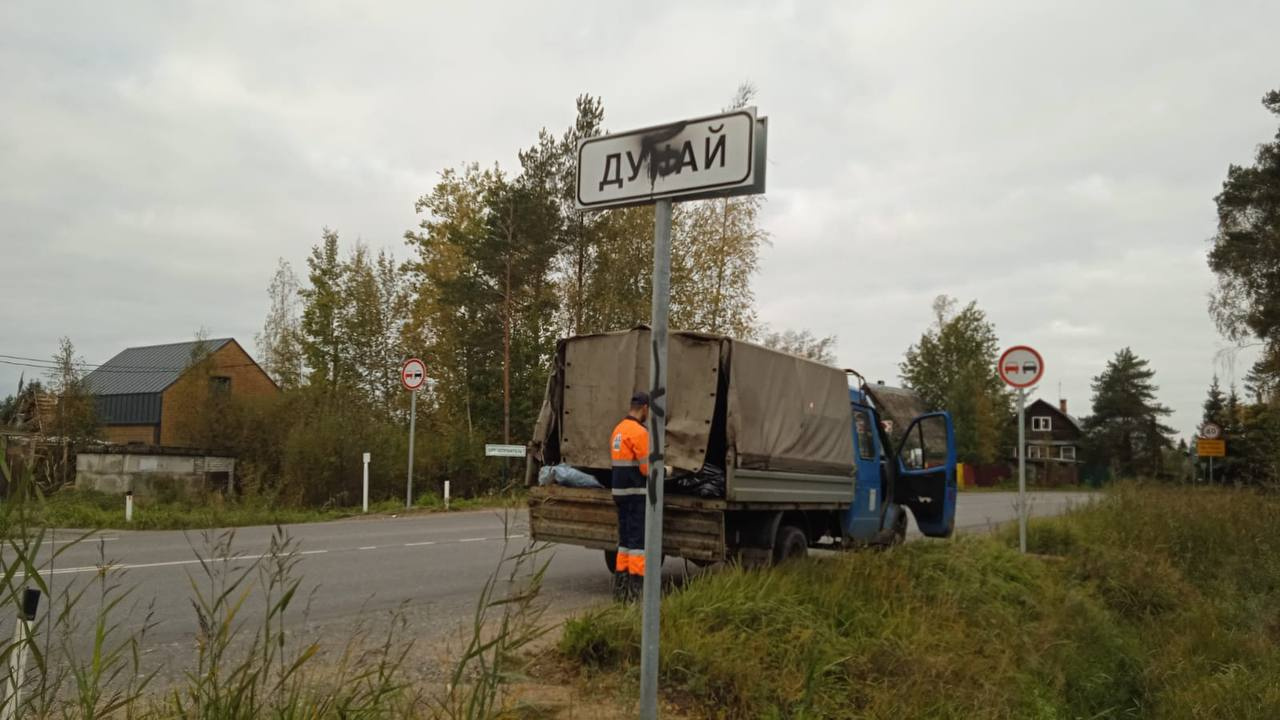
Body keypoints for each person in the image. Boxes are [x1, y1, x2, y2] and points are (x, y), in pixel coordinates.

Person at [609, 391, 650, 601]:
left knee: (624, 543)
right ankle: (636, 593)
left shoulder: (618, 429)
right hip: (635, 495)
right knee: (637, 545)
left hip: (619, 494)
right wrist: (664, 470)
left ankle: (620, 590)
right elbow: (646, 468)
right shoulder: (639, 432)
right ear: (645, 408)